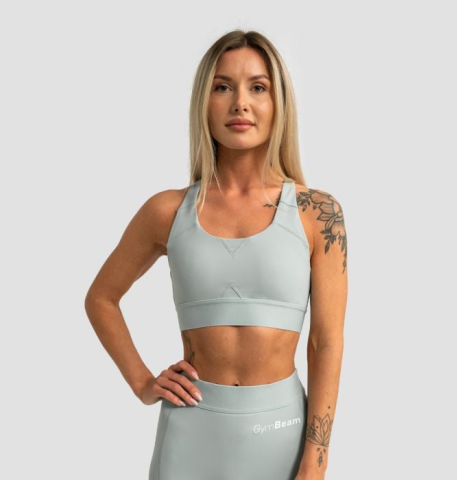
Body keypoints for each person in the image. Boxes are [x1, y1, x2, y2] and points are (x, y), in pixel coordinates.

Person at [84, 29, 348, 480]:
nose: (240, 103)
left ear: (279, 103)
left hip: (281, 433)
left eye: (258, 87)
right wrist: (143, 383)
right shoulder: (167, 211)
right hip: (190, 432)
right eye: (223, 87)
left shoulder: (318, 214)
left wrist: (316, 460)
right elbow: (101, 298)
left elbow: (325, 342)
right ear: (203, 102)